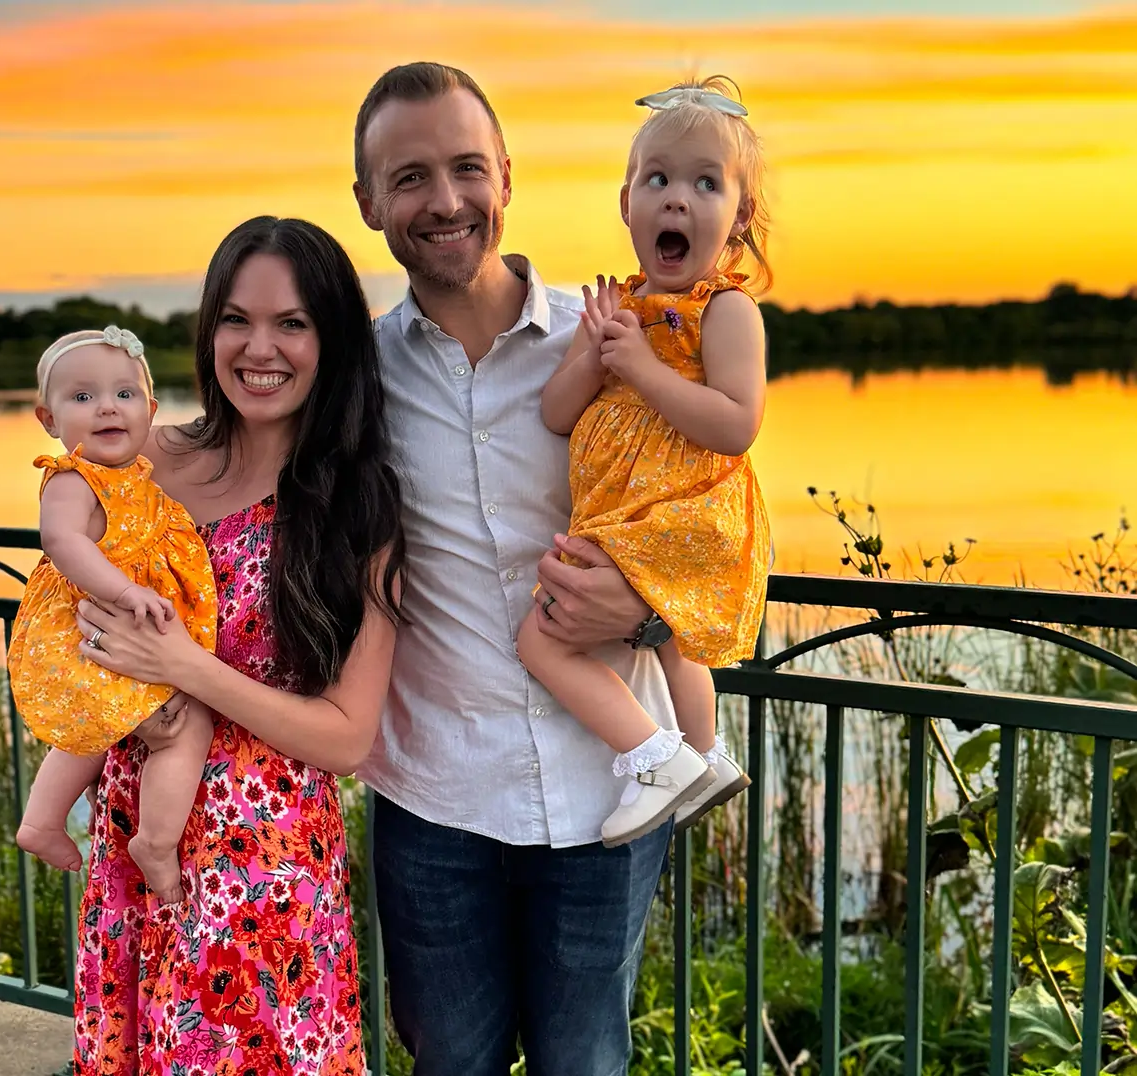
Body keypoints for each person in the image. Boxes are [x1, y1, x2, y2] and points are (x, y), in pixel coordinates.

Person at [351, 62, 680, 1075]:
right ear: (368, 202)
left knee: (587, 1063)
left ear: (506, 175)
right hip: (433, 803)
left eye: (464, 168)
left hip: (606, 793)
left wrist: (653, 612)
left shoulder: (617, 339)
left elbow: (720, 524)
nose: (444, 202)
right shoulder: (355, 379)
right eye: (409, 178)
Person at [69, 216, 405, 1075]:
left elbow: (347, 735)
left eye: (292, 323)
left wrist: (184, 666)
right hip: (141, 843)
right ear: (207, 329)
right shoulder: (139, 462)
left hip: (267, 873)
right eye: (236, 319)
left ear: (331, 339)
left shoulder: (357, 505)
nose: (261, 348)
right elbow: (58, 593)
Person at [516, 75, 771, 846]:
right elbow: (555, 414)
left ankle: (655, 757)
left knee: (540, 636)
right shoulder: (617, 314)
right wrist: (596, 356)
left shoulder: (726, 311)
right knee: (674, 638)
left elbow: (736, 423)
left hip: (685, 513)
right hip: (631, 515)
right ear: (625, 202)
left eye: (705, 183)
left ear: (738, 216)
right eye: (657, 179)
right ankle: (704, 752)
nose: (676, 200)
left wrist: (644, 371)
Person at [9, 325, 217, 903]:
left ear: (150, 411)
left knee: (94, 729)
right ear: (48, 419)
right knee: (185, 726)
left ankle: (43, 820)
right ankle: (155, 841)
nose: (106, 407)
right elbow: (62, 543)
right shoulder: (72, 478)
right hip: (95, 622)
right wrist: (127, 592)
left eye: (124, 395)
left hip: (113, 631)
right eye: (82, 398)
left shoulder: (136, 478)